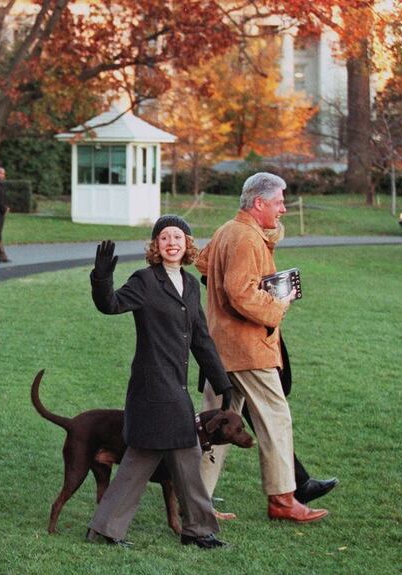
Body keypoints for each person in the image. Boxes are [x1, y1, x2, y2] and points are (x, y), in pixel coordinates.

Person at [85, 215, 233, 550]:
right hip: (153, 390)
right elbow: (109, 305)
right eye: (164, 237)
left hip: (175, 387)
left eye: (177, 237)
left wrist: (222, 382)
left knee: (164, 457)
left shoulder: (192, 285)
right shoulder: (145, 281)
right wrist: (101, 277)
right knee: (166, 455)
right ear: (156, 245)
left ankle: (189, 529)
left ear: (187, 244)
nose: (171, 243)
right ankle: (193, 530)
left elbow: (201, 341)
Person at [196, 172, 329, 523]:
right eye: (278, 202)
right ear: (259, 203)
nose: (283, 208)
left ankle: (195, 502)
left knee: (213, 424)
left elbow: (204, 264)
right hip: (248, 348)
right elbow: (241, 292)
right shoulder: (245, 238)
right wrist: (278, 305)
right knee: (275, 419)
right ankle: (283, 501)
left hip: (219, 347)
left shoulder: (229, 229)